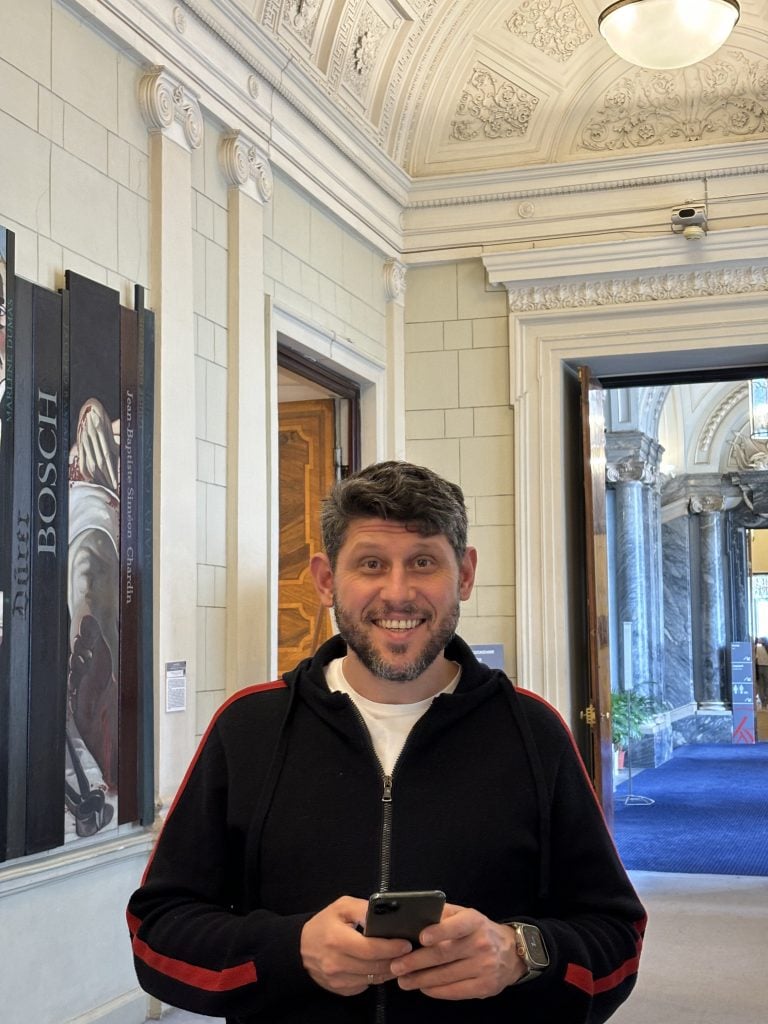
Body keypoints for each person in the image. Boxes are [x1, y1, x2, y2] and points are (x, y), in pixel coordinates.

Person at [127, 460, 646, 1023]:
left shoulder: (535, 732)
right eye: (371, 564)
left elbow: (616, 936)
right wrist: (290, 949)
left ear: (465, 574)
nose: (398, 594)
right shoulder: (248, 728)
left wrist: (521, 953)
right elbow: (158, 932)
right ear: (326, 579)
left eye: (423, 562)